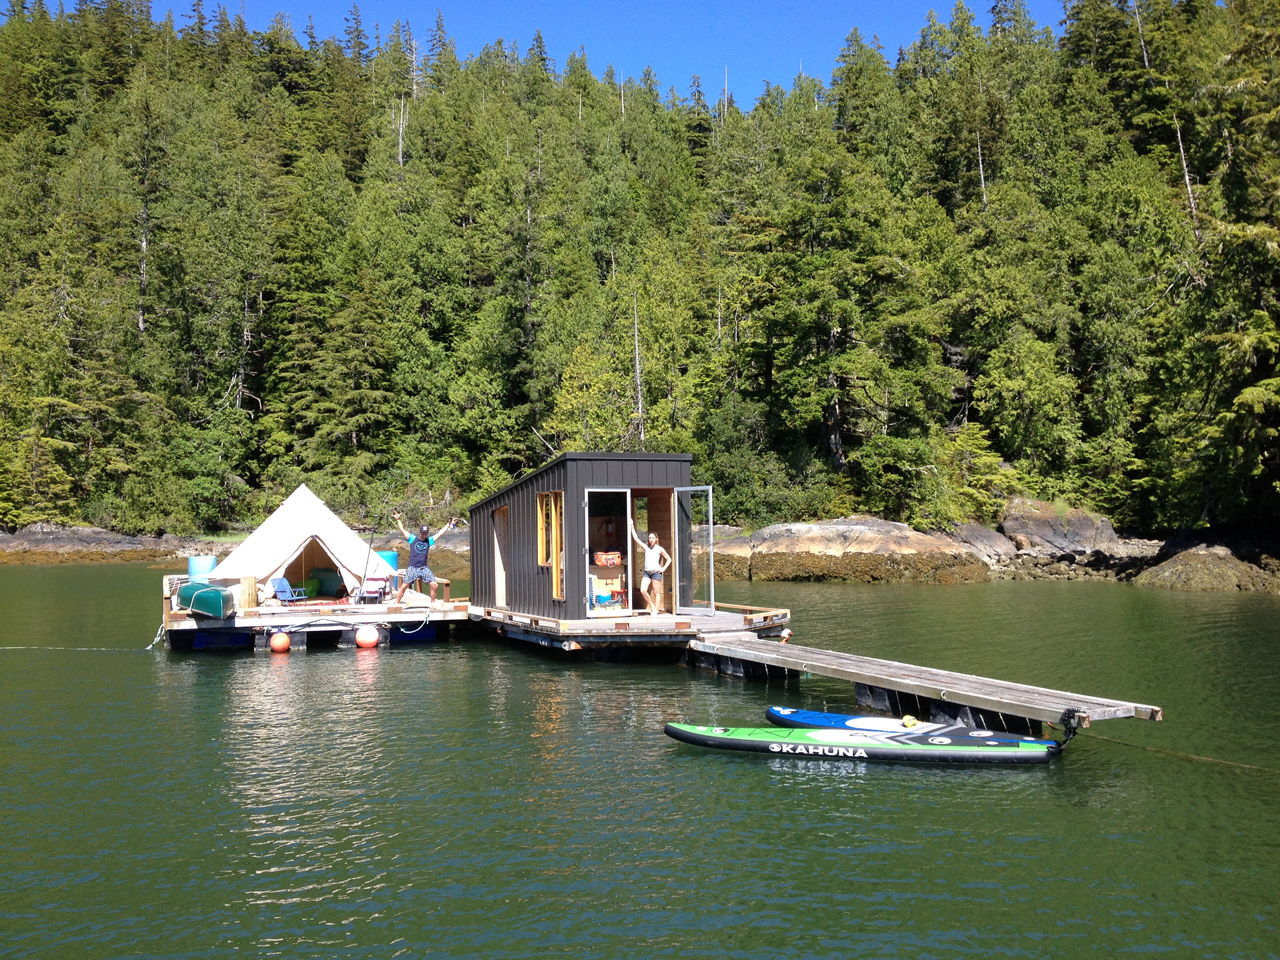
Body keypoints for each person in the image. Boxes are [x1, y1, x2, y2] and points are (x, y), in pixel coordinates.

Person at [393, 512, 455, 604]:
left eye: (425, 533)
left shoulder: (429, 541)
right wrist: (398, 519)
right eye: (422, 533)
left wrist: (448, 524)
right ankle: (396, 603)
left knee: (434, 585)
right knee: (404, 586)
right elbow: (402, 530)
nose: (424, 535)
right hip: (413, 568)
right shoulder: (412, 539)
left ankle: (432, 603)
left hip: (423, 568)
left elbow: (440, 533)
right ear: (419, 532)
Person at [628, 519, 672, 615]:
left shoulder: (659, 549)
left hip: (656, 573)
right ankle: (652, 606)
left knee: (656, 592)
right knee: (643, 590)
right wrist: (632, 526)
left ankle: (655, 610)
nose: (651, 540)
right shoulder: (646, 548)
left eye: (652, 538)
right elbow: (636, 539)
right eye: (650, 538)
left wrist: (663, 568)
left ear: (656, 539)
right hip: (647, 573)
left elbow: (669, 559)